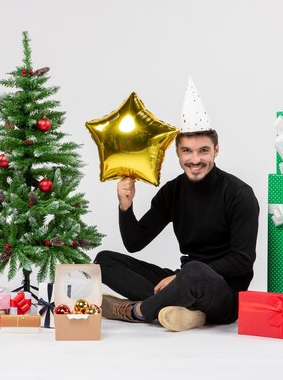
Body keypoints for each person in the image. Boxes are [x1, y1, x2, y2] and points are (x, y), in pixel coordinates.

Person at [94, 78, 259, 332]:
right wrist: (125, 206)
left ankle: (138, 311)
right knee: (103, 261)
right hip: (183, 281)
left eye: (203, 150)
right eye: (187, 151)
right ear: (177, 153)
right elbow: (134, 243)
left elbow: (242, 261)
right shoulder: (173, 191)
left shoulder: (239, 194)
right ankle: (184, 310)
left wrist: (182, 278)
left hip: (224, 294)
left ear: (216, 150)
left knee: (194, 271)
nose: (195, 159)